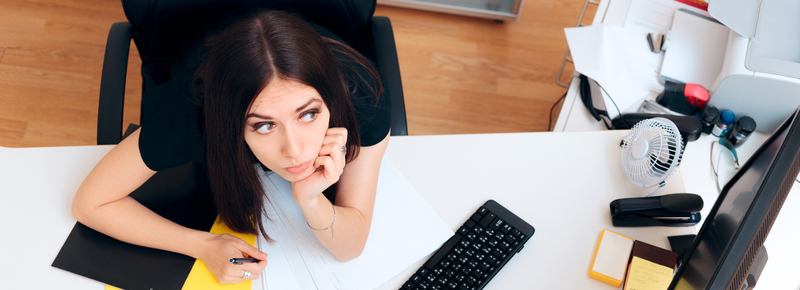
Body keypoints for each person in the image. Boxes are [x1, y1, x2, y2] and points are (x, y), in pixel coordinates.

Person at [71, 10, 390, 284]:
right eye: (264, 125)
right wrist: (202, 246)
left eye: (308, 114)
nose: (294, 150)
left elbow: (350, 247)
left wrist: (310, 199)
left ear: (331, 101)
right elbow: (90, 203)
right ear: (231, 122)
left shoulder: (361, 95)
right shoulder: (195, 111)